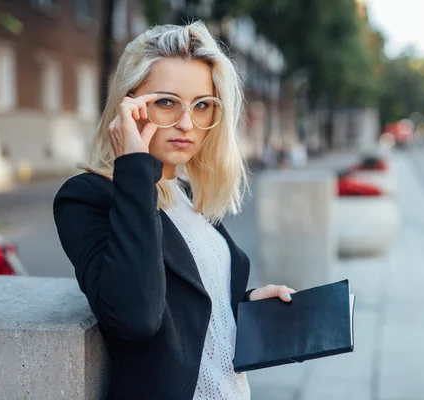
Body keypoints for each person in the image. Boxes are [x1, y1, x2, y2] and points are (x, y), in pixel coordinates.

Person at [53, 21, 295, 400]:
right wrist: (132, 166)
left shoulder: (185, 192)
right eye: (166, 102)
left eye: (202, 106)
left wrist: (243, 305)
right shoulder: (88, 197)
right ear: (127, 106)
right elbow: (136, 315)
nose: (187, 123)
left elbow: (186, 304)